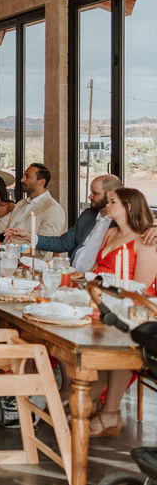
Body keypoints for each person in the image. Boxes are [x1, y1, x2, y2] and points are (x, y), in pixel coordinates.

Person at [87, 187, 157, 438]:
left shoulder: (144, 242)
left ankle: (109, 411)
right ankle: (92, 396)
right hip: (103, 300)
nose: (107, 204)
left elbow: (141, 290)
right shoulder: (110, 232)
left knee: (118, 333)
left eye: (112, 201)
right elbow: (96, 269)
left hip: (133, 309)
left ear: (129, 206)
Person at [7, 175, 143, 270]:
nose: (89, 196)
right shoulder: (88, 216)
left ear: (111, 194)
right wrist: (29, 236)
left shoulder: (121, 224)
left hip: (98, 280)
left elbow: (142, 229)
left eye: (95, 193)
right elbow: (63, 243)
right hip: (73, 275)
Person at [0, 163, 66, 255]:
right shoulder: (21, 203)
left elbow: (45, 249)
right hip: (7, 256)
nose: (22, 180)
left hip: (30, 263)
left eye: (27, 177)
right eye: (24, 176)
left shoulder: (52, 209)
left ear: (41, 182)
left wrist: (9, 249)